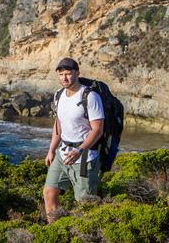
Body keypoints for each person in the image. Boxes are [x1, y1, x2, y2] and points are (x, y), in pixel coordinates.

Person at [43, 57, 104, 222]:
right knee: (49, 192)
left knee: (85, 204)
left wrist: (80, 150)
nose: (64, 78)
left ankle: (88, 235)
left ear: (77, 73)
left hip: (84, 157)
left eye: (68, 74)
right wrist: (51, 150)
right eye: (61, 74)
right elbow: (58, 124)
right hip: (62, 154)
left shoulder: (90, 97)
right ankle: (55, 231)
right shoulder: (58, 95)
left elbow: (97, 130)